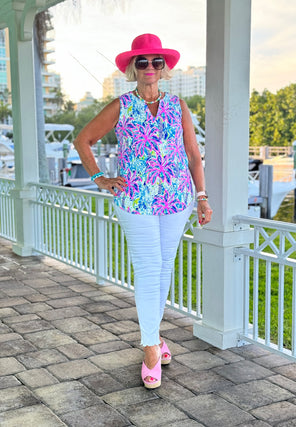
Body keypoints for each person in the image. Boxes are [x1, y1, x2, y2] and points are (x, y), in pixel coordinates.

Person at [74, 33, 212, 389]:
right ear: (133, 68)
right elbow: (83, 139)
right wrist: (99, 177)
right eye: (143, 62)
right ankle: (150, 346)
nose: (150, 67)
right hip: (136, 201)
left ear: (164, 68)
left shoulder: (177, 105)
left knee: (164, 267)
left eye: (156, 62)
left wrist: (202, 197)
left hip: (177, 199)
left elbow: (194, 156)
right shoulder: (121, 105)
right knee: (149, 268)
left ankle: (155, 335)